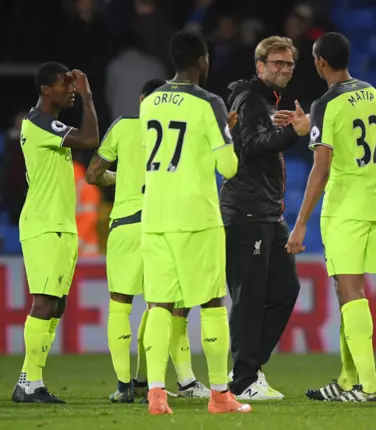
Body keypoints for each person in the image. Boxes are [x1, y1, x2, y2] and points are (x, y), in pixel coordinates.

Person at [139, 29, 250, 415]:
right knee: (212, 303)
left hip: (155, 216)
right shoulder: (210, 102)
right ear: (203, 60)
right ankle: (220, 395)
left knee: (157, 305)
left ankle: (156, 395)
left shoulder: (150, 102)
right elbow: (229, 167)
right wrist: (226, 137)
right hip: (196, 218)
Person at [86, 78, 214, 403]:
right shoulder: (178, 132)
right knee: (159, 306)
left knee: (119, 306)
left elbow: (92, 174)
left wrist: (120, 177)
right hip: (163, 225)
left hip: (126, 226)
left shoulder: (124, 126)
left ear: (142, 98)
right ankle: (149, 381)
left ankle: (124, 386)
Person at [280, 32, 376, 402]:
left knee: (350, 291)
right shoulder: (371, 92)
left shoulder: (326, 103)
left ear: (320, 62)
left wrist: (301, 221)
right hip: (374, 198)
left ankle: (368, 387)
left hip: (346, 204)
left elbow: (321, 169)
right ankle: (346, 381)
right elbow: (350, 136)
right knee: (348, 290)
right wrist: (312, 129)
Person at [220, 36, 307, 400]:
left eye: (289, 64)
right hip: (247, 211)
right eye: (277, 63)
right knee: (249, 296)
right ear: (260, 66)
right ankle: (243, 379)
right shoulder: (252, 98)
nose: (284, 69)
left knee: (286, 290)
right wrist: (291, 133)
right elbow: (250, 147)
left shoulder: (262, 101)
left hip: (266, 211)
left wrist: (280, 127)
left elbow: (256, 136)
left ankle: (247, 369)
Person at [11, 62, 99, 403]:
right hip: (45, 223)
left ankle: (32, 380)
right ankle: (28, 382)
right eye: (65, 83)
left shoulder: (46, 124)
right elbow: (90, 138)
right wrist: (90, 99)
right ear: (46, 90)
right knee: (45, 301)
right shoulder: (39, 122)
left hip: (58, 223)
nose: (72, 88)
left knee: (57, 304)